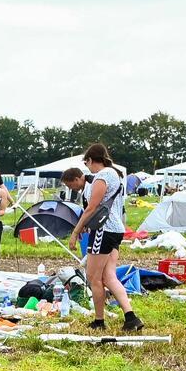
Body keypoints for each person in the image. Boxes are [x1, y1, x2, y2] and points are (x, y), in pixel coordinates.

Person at [66, 142, 141, 333]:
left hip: (103, 230)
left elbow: (92, 207)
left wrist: (76, 231)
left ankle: (99, 320)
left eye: (87, 163)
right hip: (116, 230)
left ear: (91, 160)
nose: (87, 167)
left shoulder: (103, 176)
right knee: (109, 276)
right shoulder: (115, 175)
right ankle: (130, 316)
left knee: (93, 278)